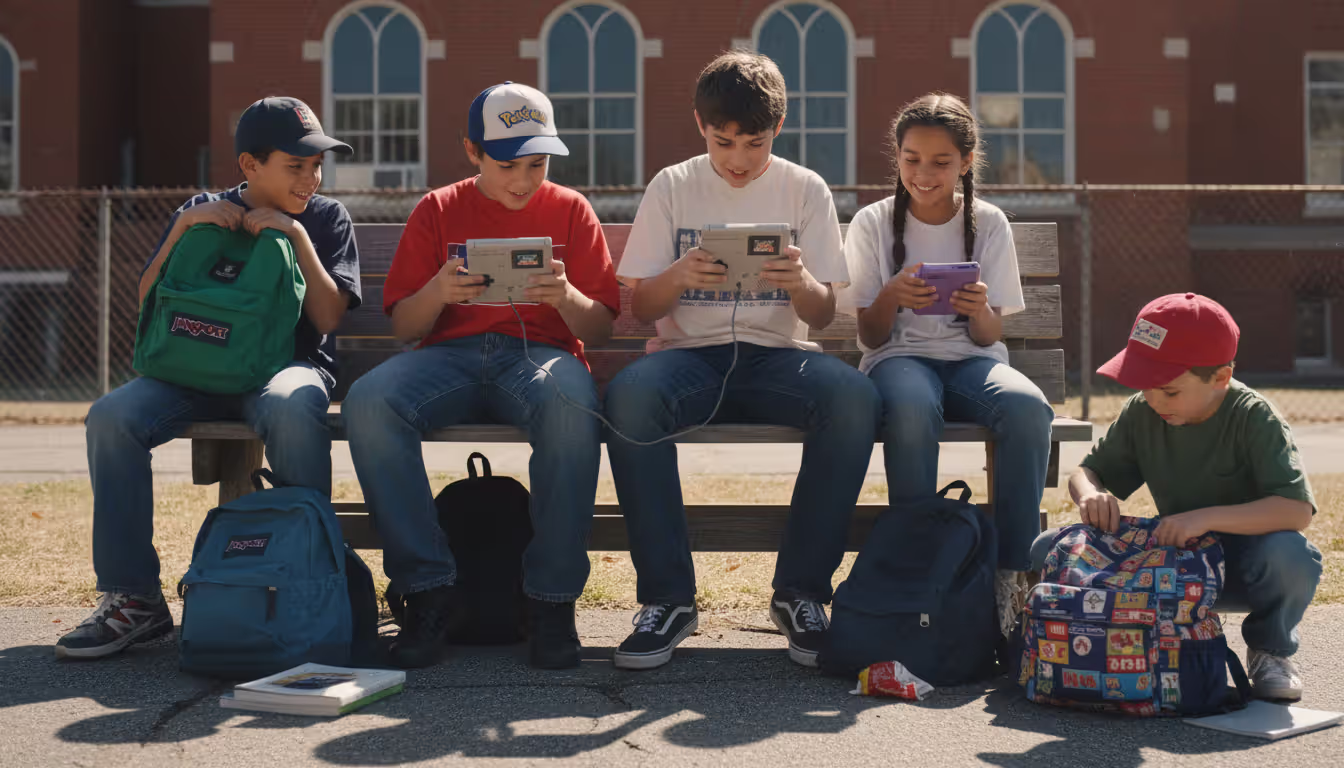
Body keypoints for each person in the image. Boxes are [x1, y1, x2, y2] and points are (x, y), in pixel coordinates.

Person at [603, 52, 880, 671]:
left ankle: (802, 593)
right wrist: (680, 273)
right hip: (688, 357)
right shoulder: (673, 185)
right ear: (700, 125)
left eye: (753, 144)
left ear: (776, 130)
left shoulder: (804, 187)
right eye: (724, 141)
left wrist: (799, 279)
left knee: (854, 397)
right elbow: (643, 305)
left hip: (777, 357)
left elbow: (822, 313)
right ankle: (668, 600)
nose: (738, 158)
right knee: (629, 398)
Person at [60, 97, 361, 659]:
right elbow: (150, 302)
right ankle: (135, 600)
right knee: (111, 417)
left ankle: (308, 574)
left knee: (292, 404)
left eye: (317, 165)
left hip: (283, 371)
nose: (311, 177)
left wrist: (294, 237)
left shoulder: (325, 217)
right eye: (296, 165)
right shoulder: (201, 208)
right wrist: (180, 230)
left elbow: (327, 319)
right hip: (193, 372)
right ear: (250, 166)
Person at [341, 82, 620, 670]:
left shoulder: (571, 209)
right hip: (451, 358)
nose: (523, 180)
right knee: (369, 402)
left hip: (539, 359)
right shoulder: (438, 209)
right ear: (472, 151)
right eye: (506, 164)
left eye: (537, 164)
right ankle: (428, 591)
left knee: (571, 402)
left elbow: (598, 332)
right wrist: (439, 290)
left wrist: (566, 295)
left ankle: (551, 601)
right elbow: (402, 328)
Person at [837, 93, 1054, 641]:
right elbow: (870, 334)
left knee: (1029, 408)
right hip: (898, 358)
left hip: (971, 362)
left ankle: (1012, 579)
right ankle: (917, 566)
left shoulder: (989, 223)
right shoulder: (872, 222)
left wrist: (979, 309)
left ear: (965, 161)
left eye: (939, 161)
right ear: (898, 157)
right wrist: (890, 294)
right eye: (912, 159)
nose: (924, 173)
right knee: (910, 408)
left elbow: (989, 336)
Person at [1032, 293, 1320, 701]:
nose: (1153, 399)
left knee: (1291, 555)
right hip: (1175, 566)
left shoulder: (1256, 417)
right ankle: (1062, 645)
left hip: (1243, 570)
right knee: (1047, 546)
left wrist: (1204, 518)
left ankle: (1271, 650)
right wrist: (1091, 494)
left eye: (1168, 390)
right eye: (1144, 384)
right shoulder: (1145, 410)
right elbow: (1085, 472)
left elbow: (1295, 510)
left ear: (1221, 377)